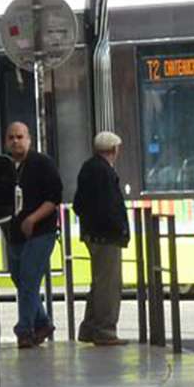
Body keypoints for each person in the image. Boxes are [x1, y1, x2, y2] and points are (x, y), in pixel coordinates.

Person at [5, 122, 63, 349]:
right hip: (15, 234)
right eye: (11, 137)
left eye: (20, 137)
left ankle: (25, 330)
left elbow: (54, 197)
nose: (15, 141)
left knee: (29, 278)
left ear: (29, 139)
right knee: (20, 280)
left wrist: (33, 219)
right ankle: (42, 322)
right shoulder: (6, 167)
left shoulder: (42, 164)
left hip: (41, 233)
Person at [73, 131, 130, 346]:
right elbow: (110, 207)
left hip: (92, 234)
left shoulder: (88, 167)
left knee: (99, 282)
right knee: (109, 284)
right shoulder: (105, 172)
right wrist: (120, 229)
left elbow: (78, 204)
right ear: (114, 150)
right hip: (106, 236)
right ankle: (105, 330)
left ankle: (89, 327)